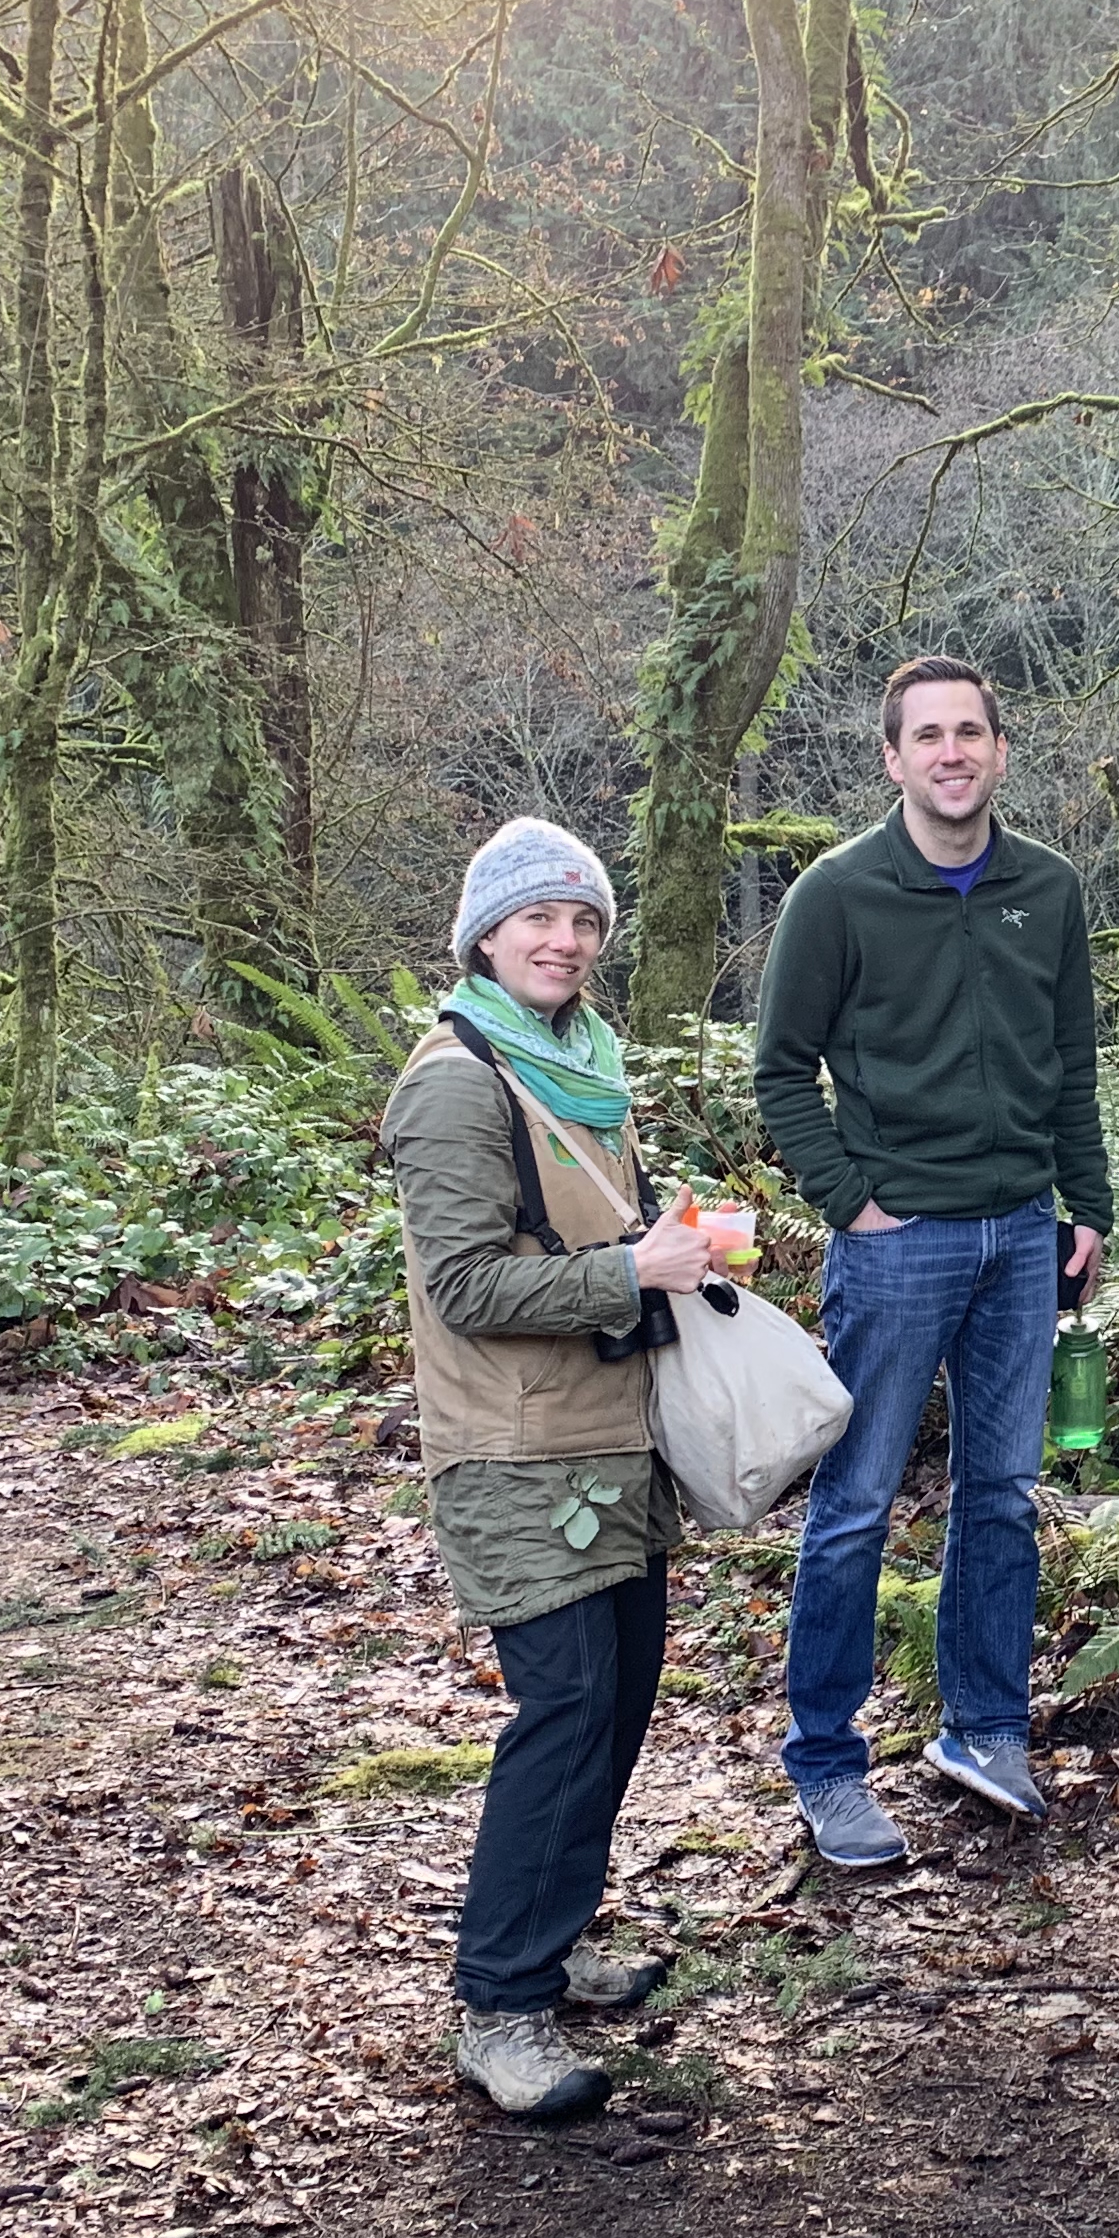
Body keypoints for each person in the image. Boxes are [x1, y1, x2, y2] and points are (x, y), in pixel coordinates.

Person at [754, 657, 1113, 1867]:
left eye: (971, 732)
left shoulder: (1047, 888)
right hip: (898, 1244)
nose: (952, 752)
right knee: (854, 1504)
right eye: (928, 736)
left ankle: (985, 1731)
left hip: (1024, 1235)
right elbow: (780, 1070)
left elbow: (1071, 1065)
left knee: (1002, 1496)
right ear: (894, 759)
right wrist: (852, 1204)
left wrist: (1088, 1205)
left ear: (1000, 750)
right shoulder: (838, 894)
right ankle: (826, 1763)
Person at [385, 816, 717, 2121]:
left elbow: (582, 1237)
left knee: (617, 1703)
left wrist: (664, 1248)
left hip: (610, 1439)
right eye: (539, 918)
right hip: (517, 1453)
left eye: (584, 922)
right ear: (485, 936)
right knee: (565, 1710)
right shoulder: (455, 1083)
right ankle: (500, 2005)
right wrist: (630, 1271)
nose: (565, 941)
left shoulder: (581, 1066)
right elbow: (465, 1286)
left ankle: (555, 1938)